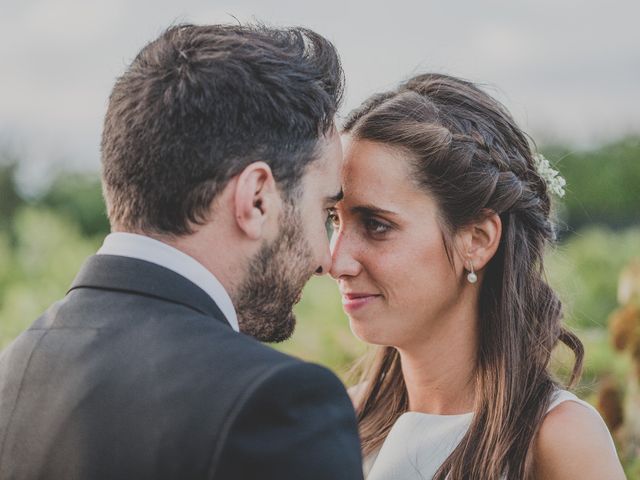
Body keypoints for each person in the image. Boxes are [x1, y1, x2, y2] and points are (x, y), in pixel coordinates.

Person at [0, 24, 363, 480]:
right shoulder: (275, 404)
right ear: (256, 199)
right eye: (326, 210)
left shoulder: (16, 367)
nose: (326, 261)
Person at [328, 73, 625, 479]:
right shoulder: (339, 423)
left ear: (477, 240)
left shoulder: (557, 440)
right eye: (334, 219)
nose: (336, 260)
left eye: (376, 225)